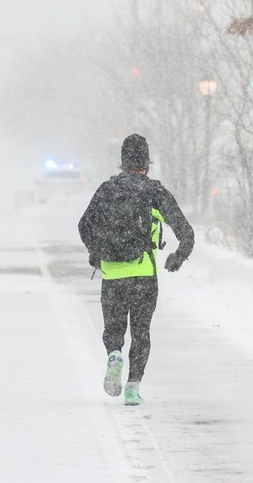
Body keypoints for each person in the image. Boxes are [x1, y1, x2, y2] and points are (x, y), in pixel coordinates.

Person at [77, 134, 195, 406]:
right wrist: (177, 257)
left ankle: (114, 354)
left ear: (122, 162)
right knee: (141, 332)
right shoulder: (155, 192)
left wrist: (97, 251)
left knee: (114, 329)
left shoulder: (107, 190)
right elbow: (186, 232)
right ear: (147, 163)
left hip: (113, 274)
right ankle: (132, 387)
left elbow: (84, 226)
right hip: (143, 275)